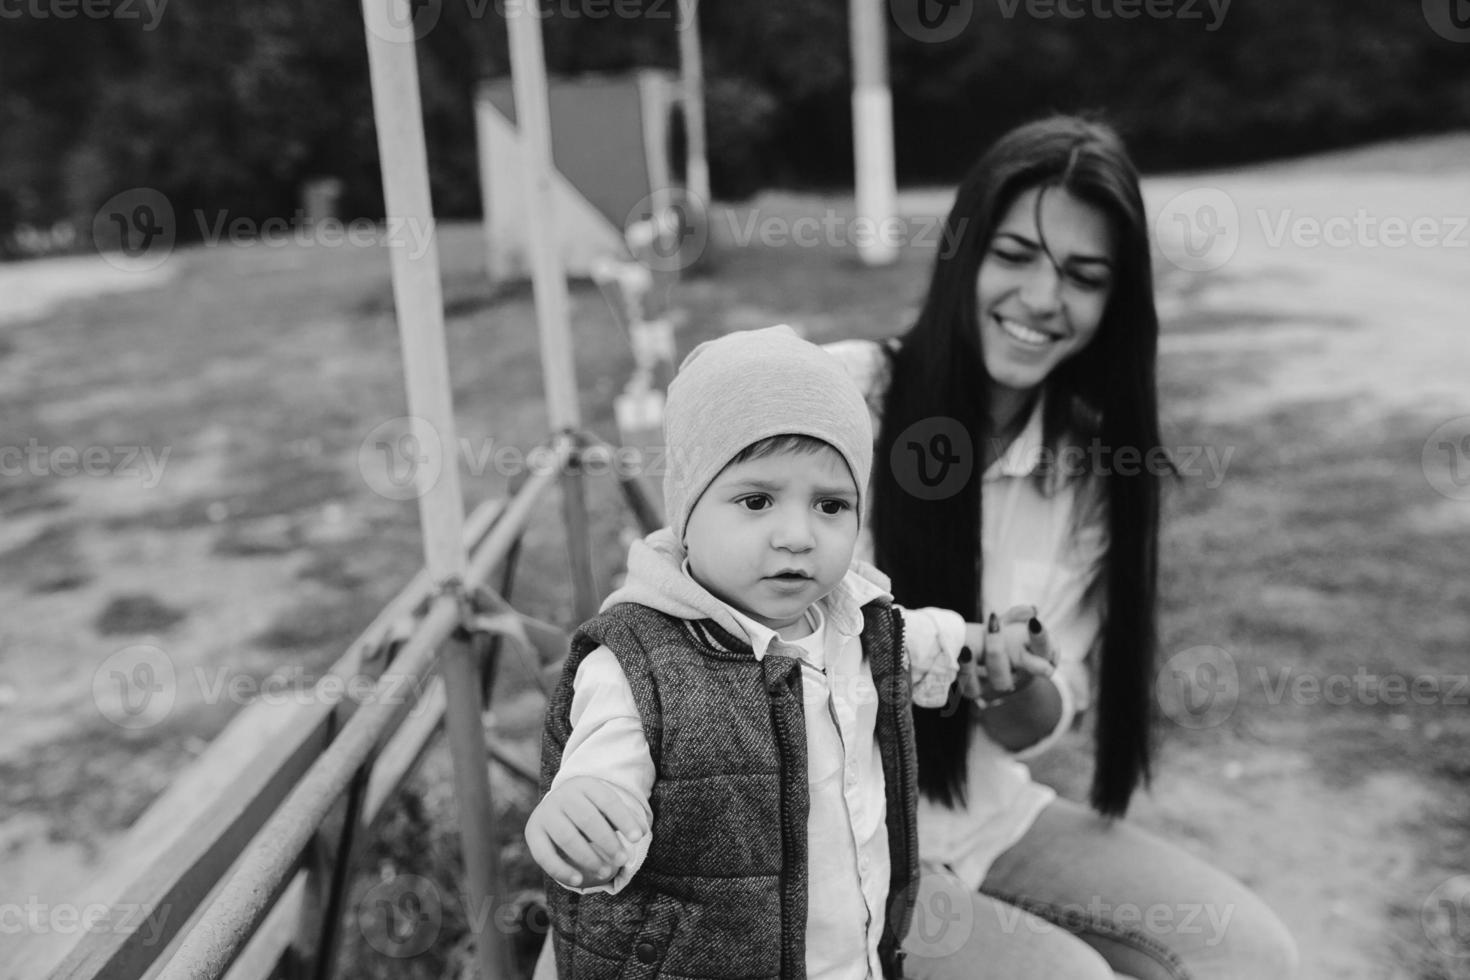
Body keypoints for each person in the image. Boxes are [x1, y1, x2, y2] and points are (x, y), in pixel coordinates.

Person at [824, 116, 1299, 979]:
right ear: (963, 254)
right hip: (824, 844)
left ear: (1116, 303)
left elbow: (1035, 726)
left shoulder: (1093, 464)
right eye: (1014, 256)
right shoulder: (843, 397)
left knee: (1252, 955)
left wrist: (1015, 682)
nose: (1044, 299)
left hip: (980, 814)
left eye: (1083, 276)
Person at [526, 324, 1027, 980]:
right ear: (687, 510)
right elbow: (602, 771)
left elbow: (919, 636)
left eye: (830, 505)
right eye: (756, 500)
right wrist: (580, 813)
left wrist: (980, 641)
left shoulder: (855, 617)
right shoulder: (638, 664)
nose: (797, 535)